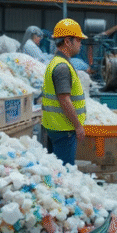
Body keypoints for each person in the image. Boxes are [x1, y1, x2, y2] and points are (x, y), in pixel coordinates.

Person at [41, 18, 88, 165]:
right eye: (79, 40)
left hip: (55, 127)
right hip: (64, 130)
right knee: (64, 173)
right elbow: (64, 99)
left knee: (56, 171)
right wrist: (78, 126)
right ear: (68, 41)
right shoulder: (62, 67)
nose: (81, 44)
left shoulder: (56, 62)